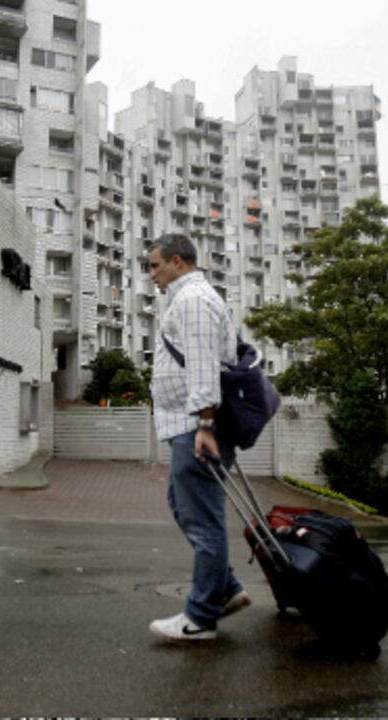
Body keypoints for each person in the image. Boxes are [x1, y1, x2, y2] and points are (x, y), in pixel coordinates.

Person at [147, 233, 250, 643]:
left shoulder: (192, 301)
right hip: (187, 424)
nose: (152, 274)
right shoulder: (191, 299)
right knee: (184, 505)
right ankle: (226, 590)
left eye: (155, 265)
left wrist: (205, 425)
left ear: (177, 262)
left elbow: (204, 366)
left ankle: (201, 616)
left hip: (197, 427)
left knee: (204, 520)